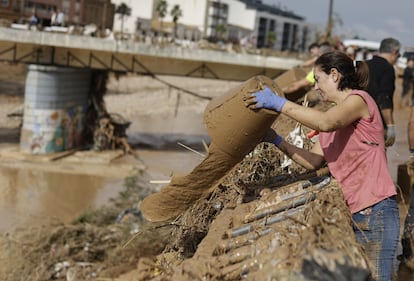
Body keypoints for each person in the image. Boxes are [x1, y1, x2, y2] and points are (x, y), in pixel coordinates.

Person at [244, 51, 399, 281]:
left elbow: (326, 123)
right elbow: (313, 161)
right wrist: (276, 140)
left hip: (376, 211)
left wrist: (279, 103)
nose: (315, 87)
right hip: (351, 213)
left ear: (334, 75)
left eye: (317, 79)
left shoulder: (359, 100)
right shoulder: (333, 119)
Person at [366, 37, 401, 147]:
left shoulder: (363, 65)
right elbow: (384, 98)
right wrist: (390, 126)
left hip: (357, 122)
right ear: (394, 52)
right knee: (377, 158)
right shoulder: (388, 68)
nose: (397, 59)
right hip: (376, 123)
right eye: (398, 56)